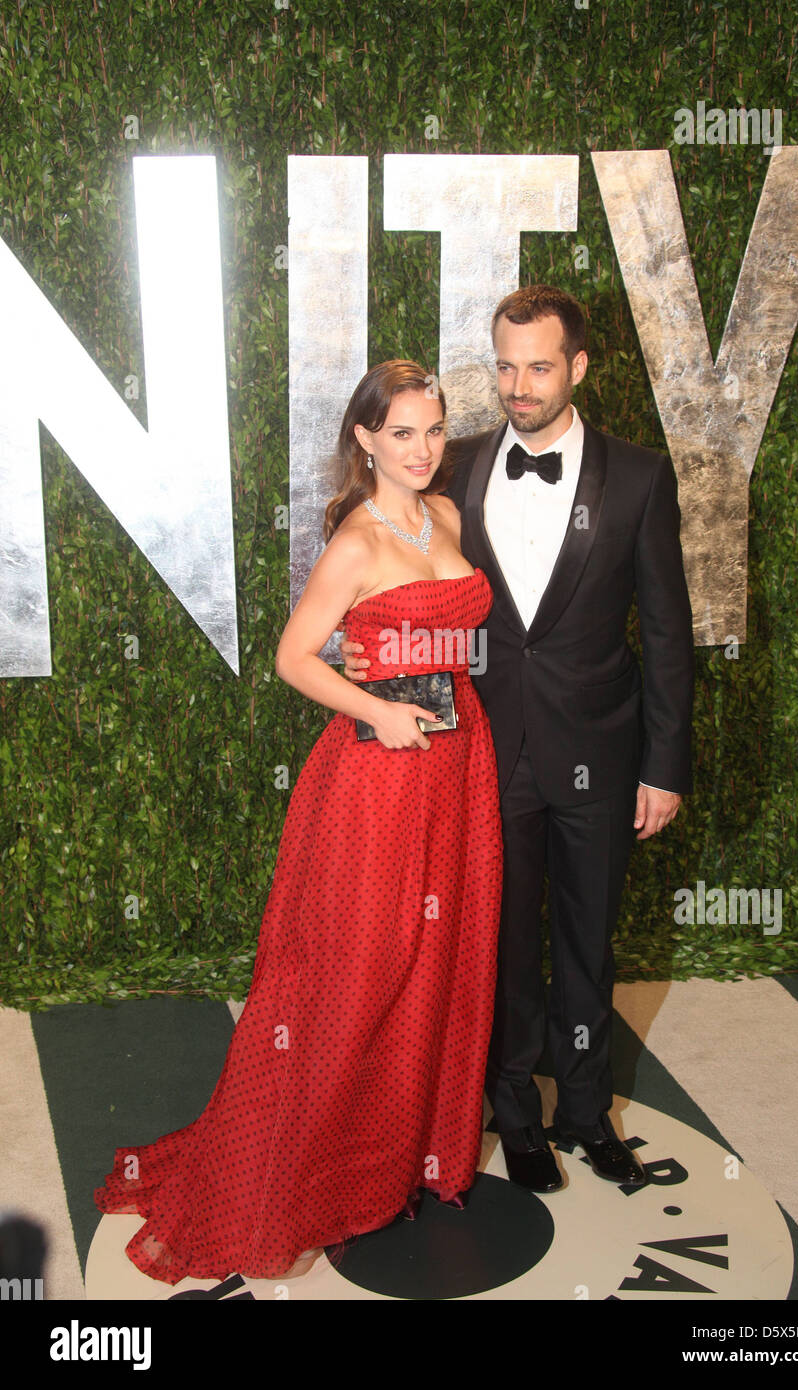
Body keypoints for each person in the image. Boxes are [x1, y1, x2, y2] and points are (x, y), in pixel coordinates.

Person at [93, 360, 502, 1284]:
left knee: (433, 965)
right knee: (355, 978)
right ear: (365, 439)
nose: (424, 449)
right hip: (374, 781)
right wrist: (378, 711)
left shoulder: (446, 516)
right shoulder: (355, 540)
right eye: (402, 433)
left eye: (433, 430)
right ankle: (301, 1175)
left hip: (457, 767)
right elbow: (291, 657)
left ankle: (395, 1157)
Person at [343, 286, 694, 1194]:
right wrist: (373, 693)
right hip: (482, 752)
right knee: (496, 943)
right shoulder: (447, 465)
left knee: (587, 940)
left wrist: (663, 765)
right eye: (504, 365)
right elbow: (386, 589)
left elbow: (665, 629)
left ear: (577, 367)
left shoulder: (642, 476)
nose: (518, 385)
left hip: (602, 754)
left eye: (538, 366)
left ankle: (585, 1113)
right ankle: (514, 1114)